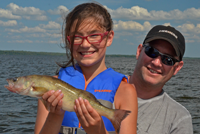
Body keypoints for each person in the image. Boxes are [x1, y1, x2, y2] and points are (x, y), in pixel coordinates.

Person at [34, 2, 138, 134]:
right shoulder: (51, 87)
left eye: (94, 36)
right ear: (69, 41)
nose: (85, 44)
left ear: (109, 38)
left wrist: (98, 131)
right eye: (77, 37)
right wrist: (55, 115)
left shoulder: (125, 91)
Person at [128, 25, 193, 134]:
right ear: (139, 51)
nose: (156, 63)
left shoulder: (179, 119)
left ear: (177, 68)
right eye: (151, 51)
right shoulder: (101, 88)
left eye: (168, 59)